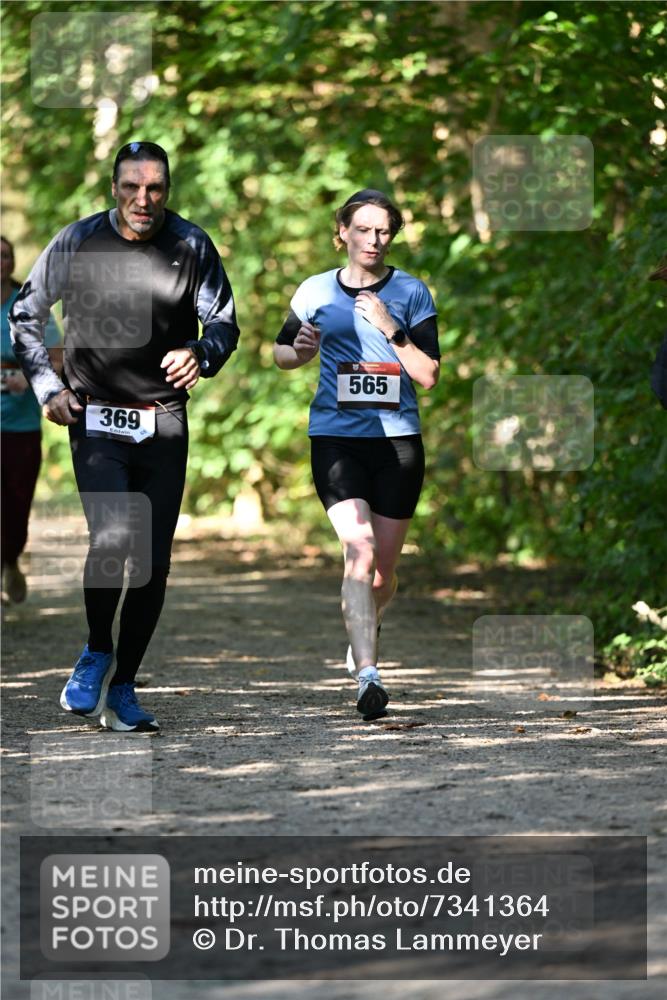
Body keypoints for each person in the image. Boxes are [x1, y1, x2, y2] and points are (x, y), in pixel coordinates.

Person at [10, 141, 239, 732]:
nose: (144, 199)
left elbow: (223, 321)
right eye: (132, 187)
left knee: (153, 563)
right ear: (114, 188)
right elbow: (25, 315)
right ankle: (94, 651)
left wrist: (201, 353)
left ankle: (126, 687)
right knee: (113, 538)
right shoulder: (78, 241)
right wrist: (47, 388)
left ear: (168, 189)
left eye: (155, 188)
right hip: (95, 416)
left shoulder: (191, 245)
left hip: (162, 419)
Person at [274, 189, 440, 719]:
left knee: (381, 575)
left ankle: (364, 621)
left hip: (397, 443)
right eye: (363, 229)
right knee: (360, 549)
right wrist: (297, 352)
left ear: (392, 236)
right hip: (336, 438)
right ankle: (369, 674)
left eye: (383, 231)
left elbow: (428, 375)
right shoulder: (316, 290)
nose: (373, 240)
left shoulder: (412, 292)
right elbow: (281, 353)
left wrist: (392, 327)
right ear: (342, 232)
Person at [1, 235, 62, 603]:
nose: (1, 261)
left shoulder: (29, 303)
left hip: (21, 425)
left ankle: (9, 559)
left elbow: (58, 356)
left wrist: (31, 375)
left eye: (6, 255)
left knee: (17, 502)